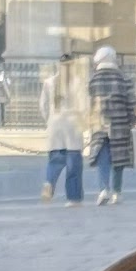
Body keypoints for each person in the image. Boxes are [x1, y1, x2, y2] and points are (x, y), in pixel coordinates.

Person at [88, 43, 135, 205]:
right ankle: (117, 192)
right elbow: (131, 102)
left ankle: (103, 189)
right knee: (118, 159)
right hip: (120, 122)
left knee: (103, 155)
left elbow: (87, 102)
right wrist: (132, 119)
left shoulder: (93, 79)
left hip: (99, 122)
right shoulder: (124, 79)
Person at [43, 73, 86, 203]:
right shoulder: (78, 82)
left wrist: (49, 120)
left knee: (55, 160)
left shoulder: (49, 82)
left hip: (55, 124)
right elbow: (84, 106)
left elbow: (43, 105)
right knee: (73, 165)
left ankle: (49, 182)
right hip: (72, 125)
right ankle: (73, 198)